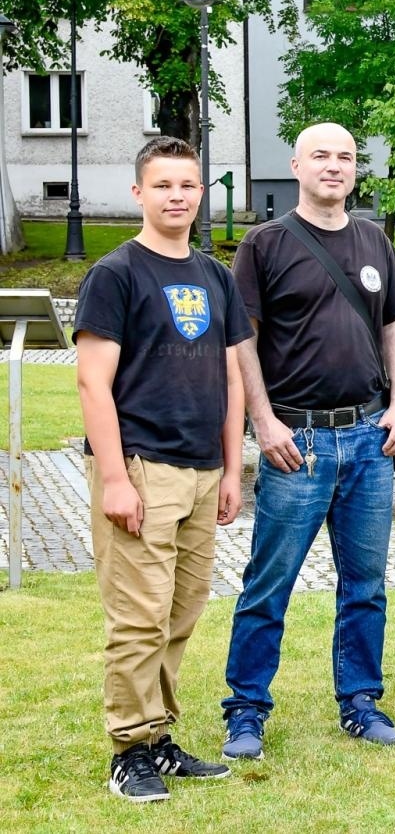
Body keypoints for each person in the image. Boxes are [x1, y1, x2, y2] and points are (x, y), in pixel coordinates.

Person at [221, 123, 395, 758]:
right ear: (296, 165)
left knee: (365, 583)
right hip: (296, 441)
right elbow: (241, 339)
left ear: (356, 170)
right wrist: (264, 421)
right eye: (322, 157)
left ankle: (360, 700)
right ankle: (246, 709)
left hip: (368, 439)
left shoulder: (373, 240)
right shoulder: (265, 244)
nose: (334, 167)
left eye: (346, 158)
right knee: (268, 584)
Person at [76, 137, 252, 801]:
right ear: (139, 194)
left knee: (180, 613)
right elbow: (94, 384)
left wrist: (233, 471)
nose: (177, 196)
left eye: (188, 185)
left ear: (199, 192)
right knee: (139, 617)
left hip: (204, 470)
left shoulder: (214, 276)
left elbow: (232, 376)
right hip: (143, 467)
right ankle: (129, 748)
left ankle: (158, 737)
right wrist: (116, 479)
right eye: (163, 185)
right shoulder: (116, 273)